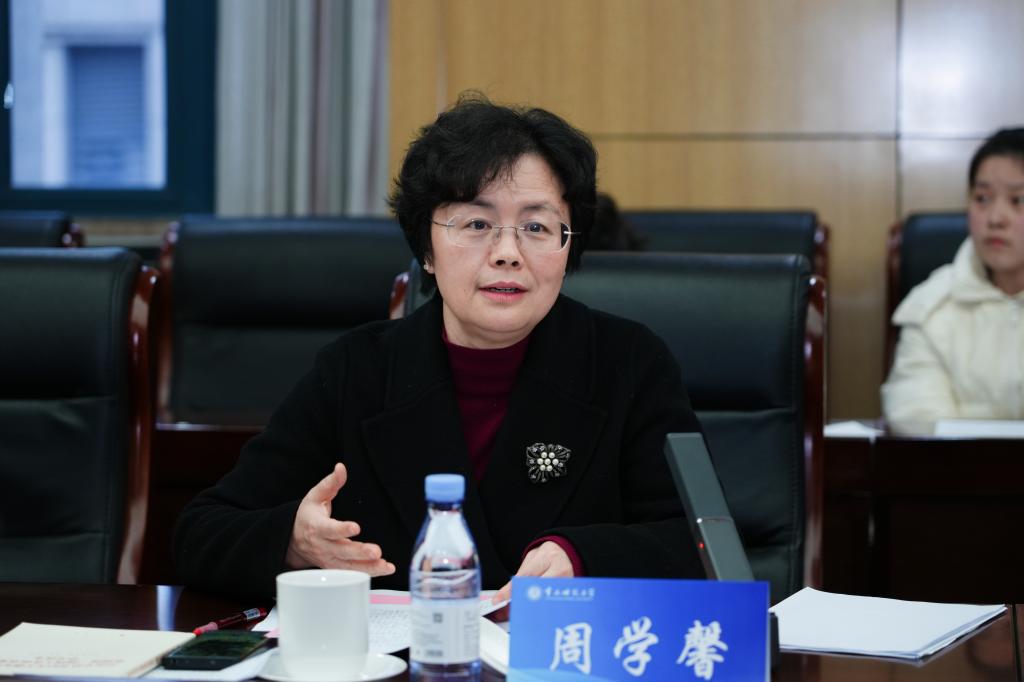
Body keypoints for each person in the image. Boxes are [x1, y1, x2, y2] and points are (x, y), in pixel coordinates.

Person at [173, 93, 705, 601]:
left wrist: (584, 556)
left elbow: (700, 543)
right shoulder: (357, 370)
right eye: (476, 223)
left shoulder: (629, 364)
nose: (507, 252)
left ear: (568, 248)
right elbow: (202, 533)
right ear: (426, 249)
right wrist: (294, 539)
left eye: (537, 226)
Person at [881, 127, 1024, 429]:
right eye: (982, 198)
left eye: (1018, 200)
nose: (995, 218)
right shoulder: (932, 306)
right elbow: (916, 419)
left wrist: (971, 421)